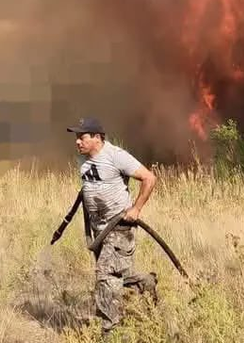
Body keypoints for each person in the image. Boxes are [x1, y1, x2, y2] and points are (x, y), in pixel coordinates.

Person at [68, 117, 158, 336]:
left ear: (97, 138)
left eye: (82, 137)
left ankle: (111, 333)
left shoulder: (116, 156)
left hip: (118, 228)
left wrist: (135, 209)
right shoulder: (85, 161)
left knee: (105, 277)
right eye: (76, 137)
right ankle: (146, 282)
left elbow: (149, 178)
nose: (77, 141)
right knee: (120, 275)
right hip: (100, 231)